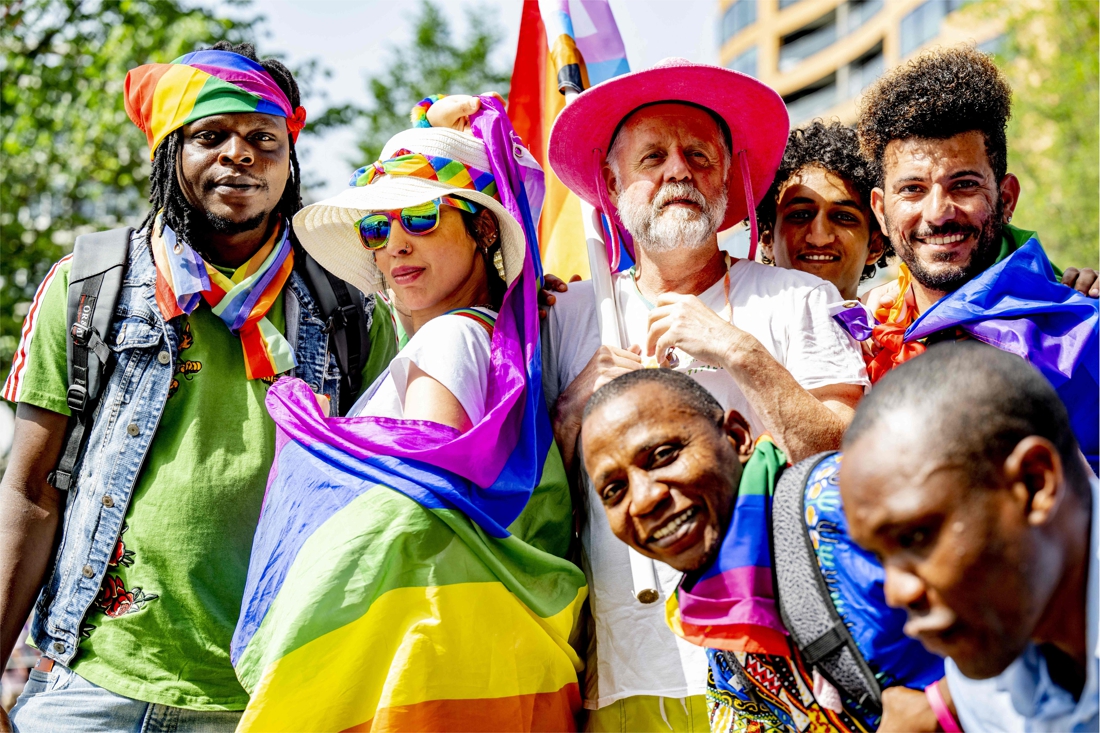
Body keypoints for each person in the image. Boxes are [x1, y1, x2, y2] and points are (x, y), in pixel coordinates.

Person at [0, 44, 396, 731]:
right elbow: (29, 494)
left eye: (262, 138)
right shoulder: (92, 284)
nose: (239, 154)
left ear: (289, 157)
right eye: (210, 136)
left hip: (273, 693)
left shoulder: (353, 306)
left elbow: (393, 498)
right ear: (167, 156)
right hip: (91, 682)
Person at [229, 98, 588, 732]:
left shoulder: (448, 339)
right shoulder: (499, 343)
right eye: (376, 229)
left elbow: (420, 505)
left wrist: (312, 438)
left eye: (421, 217)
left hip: (418, 660)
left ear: (482, 229)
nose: (394, 247)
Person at [541, 58, 869, 730]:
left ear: (728, 178)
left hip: (782, 666)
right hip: (627, 673)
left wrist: (738, 352)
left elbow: (851, 455)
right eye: (653, 156)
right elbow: (526, 489)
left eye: (698, 155)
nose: (678, 172)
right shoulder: (568, 314)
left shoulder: (799, 298)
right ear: (611, 181)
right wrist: (573, 408)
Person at [578, 368, 947, 732]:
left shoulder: (845, 508)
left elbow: (1002, 584)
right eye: (613, 491)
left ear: (737, 437)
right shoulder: (717, 610)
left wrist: (943, 705)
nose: (643, 501)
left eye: (662, 455)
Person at [844, 47, 1099, 472]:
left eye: (963, 184)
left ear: (1007, 198)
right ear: (881, 212)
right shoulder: (862, 334)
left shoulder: (1078, 334)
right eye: (912, 189)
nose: (938, 213)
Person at [840, 341, 1099, 732]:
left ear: (1033, 483)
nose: (897, 593)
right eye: (880, 556)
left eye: (915, 537)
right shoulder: (989, 671)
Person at [756, 120, 888, 302]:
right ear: (767, 238)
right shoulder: (721, 325)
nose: (819, 238)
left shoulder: (904, 329)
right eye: (800, 214)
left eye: (843, 217)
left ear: (875, 245)